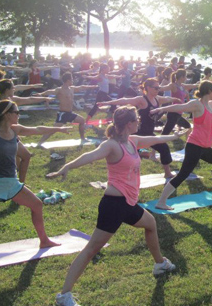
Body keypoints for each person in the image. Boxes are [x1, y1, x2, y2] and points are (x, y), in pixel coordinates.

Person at [48, 106, 182, 306]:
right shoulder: (111, 145)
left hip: (128, 203)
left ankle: (160, 263)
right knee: (92, 249)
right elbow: (90, 156)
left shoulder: (133, 142)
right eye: (136, 121)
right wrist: (67, 166)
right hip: (113, 205)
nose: (139, 123)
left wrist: (176, 136)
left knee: (150, 223)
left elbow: (156, 139)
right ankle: (64, 295)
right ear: (129, 124)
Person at [0, 101, 68, 248]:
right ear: (7, 114)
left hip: (12, 183)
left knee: (37, 205)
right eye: (16, 112)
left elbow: (37, 129)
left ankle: (44, 241)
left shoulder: (14, 130)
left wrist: (59, 129)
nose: (19, 114)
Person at [149, 81, 212, 210]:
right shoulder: (197, 104)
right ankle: (161, 202)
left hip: (205, 147)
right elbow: (179, 107)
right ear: (208, 91)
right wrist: (161, 109)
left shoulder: (211, 104)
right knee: (183, 174)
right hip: (195, 145)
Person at [97, 78, 183, 178]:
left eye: (158, 87)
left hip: (149, 133)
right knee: (131, 156)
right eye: (155, 88)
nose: (158, 89)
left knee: (164, 148)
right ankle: (125, 175)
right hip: (138, 133)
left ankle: (167, 173)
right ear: (148, 88)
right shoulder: (142, 100)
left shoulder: (157, 99)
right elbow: (125, 101)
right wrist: (108, 103)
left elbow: (168, 99)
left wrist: (175, 99)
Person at [36, 73, 98, 147]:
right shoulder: (60, 89)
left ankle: (83, 139)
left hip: (69, 113)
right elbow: (50, 91)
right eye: (72, 79)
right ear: (68, 80)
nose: (73, 80)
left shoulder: (71, 88)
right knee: (53, 130)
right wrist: (41, 94)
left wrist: (92, 86)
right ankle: (39, 143)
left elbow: (82, 87)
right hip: (63, 114)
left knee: (81, 120)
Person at [159, 69, 197, 135]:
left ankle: (180, 138)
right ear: (182, 77)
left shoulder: (182, 86)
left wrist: (200, 84)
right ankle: (158, 143)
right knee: (165, 133)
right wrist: (154, 87)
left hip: (179, 113)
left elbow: (192, 85)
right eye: (185, 76)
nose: (186, 78)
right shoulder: (173, 85)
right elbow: (163, 88)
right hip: (173, 113)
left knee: (187, 127)